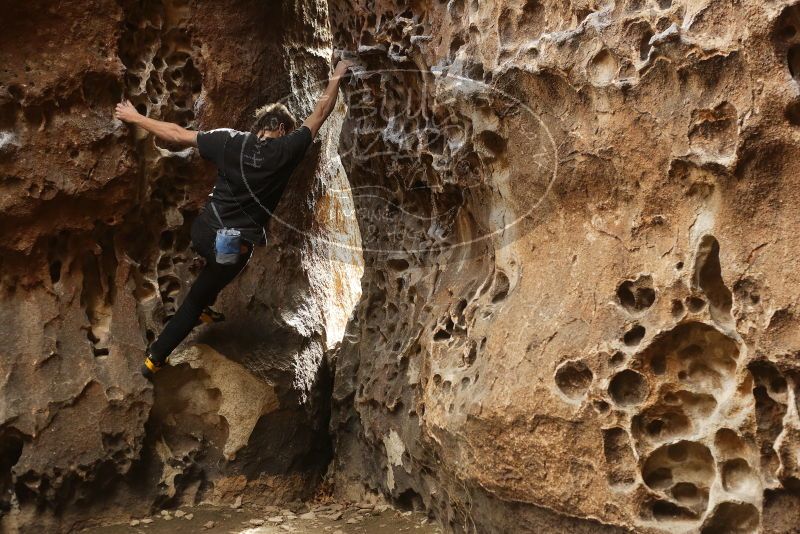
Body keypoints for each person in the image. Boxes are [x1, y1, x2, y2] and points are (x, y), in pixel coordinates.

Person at [114, 59, 354, 379]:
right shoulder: (286, 150)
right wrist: (337, 73)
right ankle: (156, 355)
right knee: (223, 270)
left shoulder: (227, 140)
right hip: (228, 247)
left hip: (201, 233)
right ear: (282, 129)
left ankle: (187, 325)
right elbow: (321, 112)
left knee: (217, 260)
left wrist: (134, 116)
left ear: (257, 128)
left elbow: (175, 134)